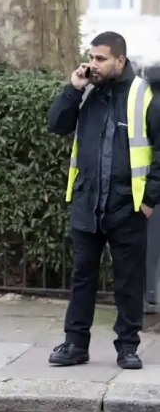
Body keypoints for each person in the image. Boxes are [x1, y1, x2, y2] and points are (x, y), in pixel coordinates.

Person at [47, 31, 160, 370]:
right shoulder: (87, 92)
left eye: (100, 59)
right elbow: (56, 124)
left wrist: (149, 199)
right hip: (87, 202)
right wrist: (73, 88)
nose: (92, 64)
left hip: (128, 205)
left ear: (119, 61)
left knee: (128, 280)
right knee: (82, 277)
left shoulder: (144, 96)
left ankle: (128, 347)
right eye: (91, 57)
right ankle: (74, 344)